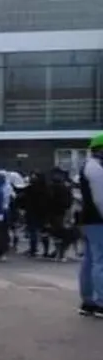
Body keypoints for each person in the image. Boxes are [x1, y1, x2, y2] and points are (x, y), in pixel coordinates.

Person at [79, 133, 103, 317]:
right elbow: (100, 198)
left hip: (88, 220)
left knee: (89, 261)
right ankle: (100, 302)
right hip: (98, 220)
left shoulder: (88, 166)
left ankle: (88, 301)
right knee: (99, 261)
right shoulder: (96, 169)